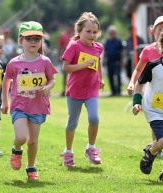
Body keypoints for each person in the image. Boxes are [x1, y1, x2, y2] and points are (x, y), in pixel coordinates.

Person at [0, 21, 58, 180]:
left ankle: (31, 167)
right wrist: (5, 102)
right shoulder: (14, 63)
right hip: (19, 106)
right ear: (20, 41)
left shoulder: (45, 61)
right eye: (28, 38)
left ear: (41, 41)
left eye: (36, 39)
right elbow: (6, 80)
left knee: (32, 142)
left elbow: (52, 79)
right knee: (21, 137)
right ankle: (16, 149)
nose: (33, 42)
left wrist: (48, 87)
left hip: (38, 106)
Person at [132, 22, 163, 181]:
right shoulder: (153, 66)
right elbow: (139, 85)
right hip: (155, 110)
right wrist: (136, 102)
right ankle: (151, 151)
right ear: (162, 45)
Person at [60, 12, 104, 167]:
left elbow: (98, 63)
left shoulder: (99, 47)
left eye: (95, 32)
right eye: (88, 31)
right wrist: (83, 66)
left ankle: (91, 149)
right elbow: (65, 67)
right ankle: (68, 152)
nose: (92, 35)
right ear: (79, 31)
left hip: (91, 90)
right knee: (72, 123)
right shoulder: (74, 46)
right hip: (75, 91)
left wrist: (101, 78)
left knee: (94, 118)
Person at [127, 15, 163, 157]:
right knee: (157, 118)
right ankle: (157, 147)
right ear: (153, 31)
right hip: (152, 91)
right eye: (160, 29)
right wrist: (131, 83)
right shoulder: (148, 50)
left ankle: (157, 145)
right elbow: (137, 69)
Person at [104, 25, 124, 96]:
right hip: (109, 62)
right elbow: (105, 52)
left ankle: (118, 91)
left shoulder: (118, 41)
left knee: (118, 76)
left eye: (113, 32)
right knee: (110, 77)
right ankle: (113, 91)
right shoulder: (107, 41)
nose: (111, 33)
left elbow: (122, 51)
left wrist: (122, 61)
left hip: (117, 61)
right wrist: (104, 60)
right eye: (110, 32)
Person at [57, 19, 74, 96]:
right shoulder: (63, 35)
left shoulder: (76, 35)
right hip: (65, 58)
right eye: (70, 26)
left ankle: (72, 89)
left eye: (72, 26)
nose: (71, 27)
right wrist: (59, 56)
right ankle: (64, 90)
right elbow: (60, 47)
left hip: (74, 58)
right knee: (64, 75)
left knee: (73, 75)